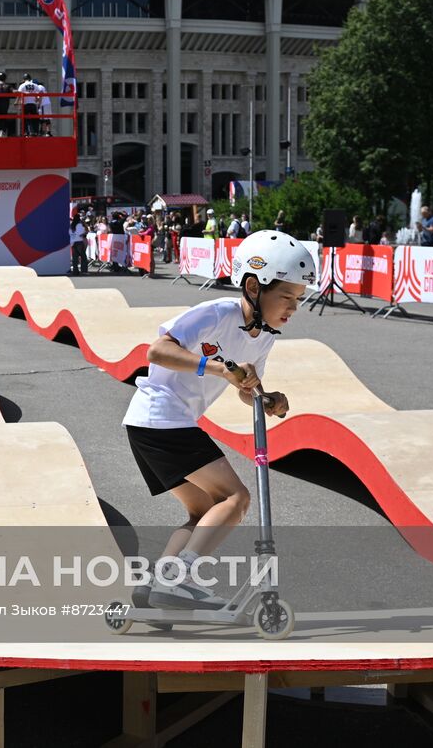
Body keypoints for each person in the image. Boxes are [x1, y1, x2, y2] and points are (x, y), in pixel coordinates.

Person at [123, 232, 314, 609]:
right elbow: (157, 351)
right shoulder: (217, 313)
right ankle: (180, 580)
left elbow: (246, 386)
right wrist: (220, 369)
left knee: (202, 510)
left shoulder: (264, 337)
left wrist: (265, 398)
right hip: (162, 416)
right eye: (287, 297)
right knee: (235, 498)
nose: (293, 308)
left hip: (155, 425)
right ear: (254, 287)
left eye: (300, 300)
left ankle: (159, 587)